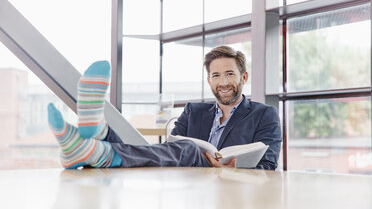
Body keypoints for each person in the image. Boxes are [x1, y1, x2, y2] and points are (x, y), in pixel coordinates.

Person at [48, 45, 281, 170]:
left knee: (187, 149)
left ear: (244, 77)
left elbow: (268, 166)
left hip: (229, 184)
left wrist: (229, 167)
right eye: (216, 75)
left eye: (230, 74)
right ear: (209, 80)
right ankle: (96, 139)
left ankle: (99, 141)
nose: (223, 82)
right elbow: (169, 149)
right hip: (189, 177)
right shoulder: (194, 111)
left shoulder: (264, 114)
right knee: (177, 149)